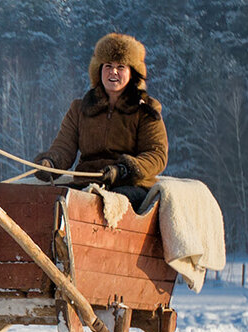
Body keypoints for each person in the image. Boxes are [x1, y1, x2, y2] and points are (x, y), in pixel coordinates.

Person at [33, 32, 167, 208]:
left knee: (103, 202)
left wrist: (124, 170)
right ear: (99, 70)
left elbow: (156, 155)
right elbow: (64, 147)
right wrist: (50, 163)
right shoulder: (79, 109)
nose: (113, 72)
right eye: (108, 66)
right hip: (86, 184)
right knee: (48, 200)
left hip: (129, 186)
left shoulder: (145, 110)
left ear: (132, 73)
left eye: (121, 67)